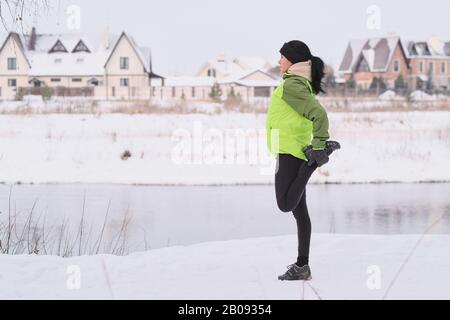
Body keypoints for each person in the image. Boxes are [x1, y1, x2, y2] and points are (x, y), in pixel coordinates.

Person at [265, 40, 341, 281]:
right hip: (293, 149)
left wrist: (318, 147)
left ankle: (314, 162)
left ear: (293, 61)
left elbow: (319, 114)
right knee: (300, 214)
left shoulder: (292, 86)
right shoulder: (298, 84)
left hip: (291, 153)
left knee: (286, 204)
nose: (278, 61)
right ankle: (302, 266)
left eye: (282, 57)